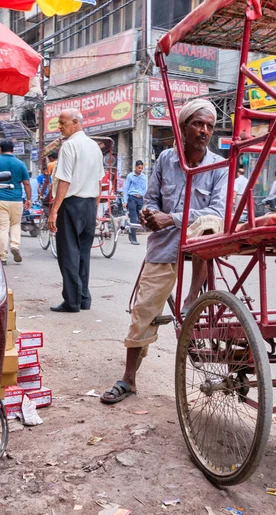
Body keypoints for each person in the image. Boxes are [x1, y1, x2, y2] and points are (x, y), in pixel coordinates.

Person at [100, 99, 227, 404]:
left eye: (209, 126)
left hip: (199, 247)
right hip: (164, 245)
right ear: (183, 127)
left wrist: (172, 218)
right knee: (144, 310)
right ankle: (128, 379)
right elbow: (151, 199)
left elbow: (217, 211)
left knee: (209, 225)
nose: (204, 131)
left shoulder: (218, 167)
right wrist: (148, 214)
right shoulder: (164, 161)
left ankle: (192, 298)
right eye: (198, 124)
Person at [48, 108, 105, 312]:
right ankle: (83, 298)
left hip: (71, 204)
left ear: (75, 122)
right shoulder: (94, 147)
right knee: (82, 253)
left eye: (62, 122)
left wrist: (54, 210)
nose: (59, 127)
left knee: (68, 253)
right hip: (89, 205)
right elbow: (99, 182)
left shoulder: (70, 146)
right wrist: (95, 208)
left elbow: (64, 180)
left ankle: (72, 301)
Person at [0, 140, 31, 265]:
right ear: (13, 150)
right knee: (15, 224)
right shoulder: (20, 163)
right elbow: (27, 183)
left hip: (1, 199)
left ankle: (2, 257)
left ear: (0, 149)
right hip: (16, 199)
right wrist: (29, 199)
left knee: (2, 227)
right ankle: (15, 245)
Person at [124, 160, 147, 245]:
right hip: (132, 198)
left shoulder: (143, 177)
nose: (140, 169)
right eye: (139, 168)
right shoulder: (130, 176)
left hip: (140, 199)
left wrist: (145, 200)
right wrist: (125, 201)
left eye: (141, 168)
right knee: (133, 218)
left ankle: (131, 232)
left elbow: (145, 189)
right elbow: (126, 189)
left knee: (139, 219)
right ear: (135, 167)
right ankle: (134, 238)